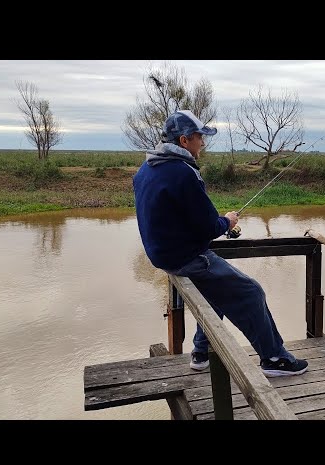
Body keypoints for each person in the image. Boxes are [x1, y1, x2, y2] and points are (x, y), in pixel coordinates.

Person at [132, 110, 308, 378]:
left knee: (219, 291)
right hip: (186, 258)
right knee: (251, 292)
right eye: (199, 137)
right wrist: (227, 221)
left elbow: (180, 216)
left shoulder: (147, 168)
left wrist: (217, 222)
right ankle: (274, 359)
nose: (202, 142)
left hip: (163, 255)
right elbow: (207, 227)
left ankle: (201, 353)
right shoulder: (183, 172)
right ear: (183, 141)